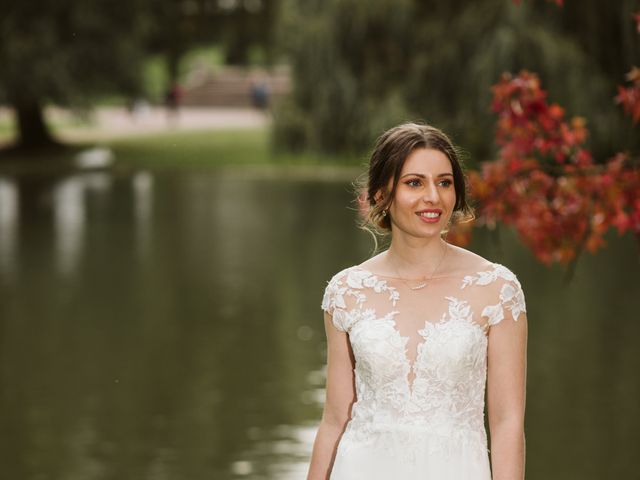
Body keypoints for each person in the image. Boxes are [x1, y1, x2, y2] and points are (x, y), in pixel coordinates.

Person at [307, 122, 528, 480]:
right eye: (414, 183)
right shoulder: (348, 291)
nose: (433, 197)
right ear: (380, 194)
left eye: (444, 182)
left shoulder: (496, 289)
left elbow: (507, 423)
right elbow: (336, 418)